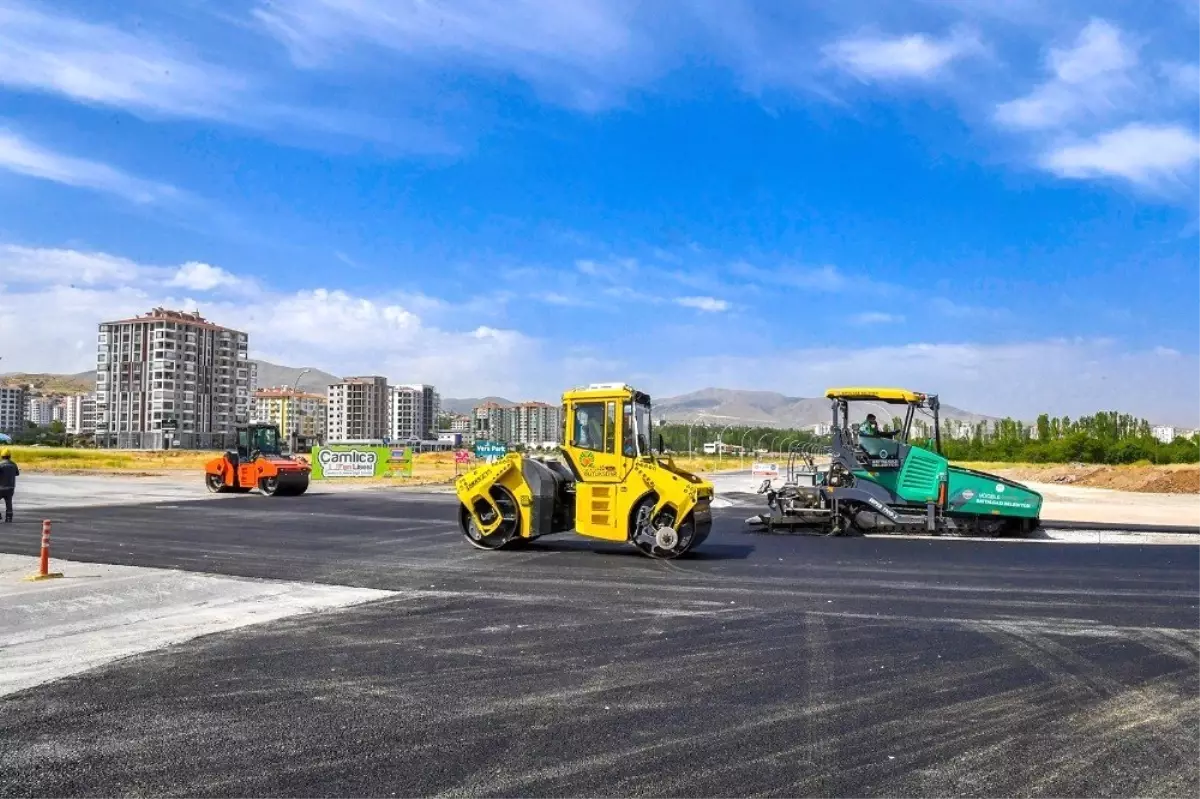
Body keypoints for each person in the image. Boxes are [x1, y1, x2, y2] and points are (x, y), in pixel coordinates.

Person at [0, 448, 17, 523]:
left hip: (1, 487)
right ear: (10, 456)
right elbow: (17, 473)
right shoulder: (13, 464)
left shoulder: (0, 465)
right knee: (8, 502)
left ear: (2, 456)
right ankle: (9, 517)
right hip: (10, 488)